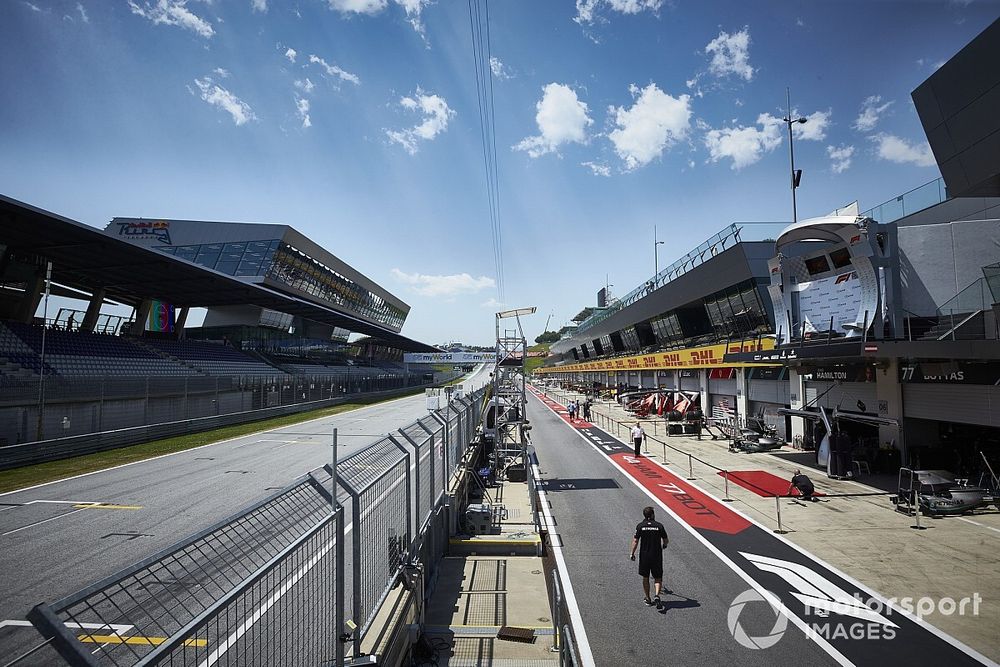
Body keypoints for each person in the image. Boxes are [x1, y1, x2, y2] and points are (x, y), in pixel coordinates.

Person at [630, 506, 669, 608]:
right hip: (656, 556)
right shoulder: (659, 526)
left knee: (645, 577)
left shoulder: (640, 526)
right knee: (658, 578)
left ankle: (648, 598)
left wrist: (632, 553)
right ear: (652, 515)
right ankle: (657, 595)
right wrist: (664, 545)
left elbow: (635, 541)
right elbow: (665, 540)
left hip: (645, 556)